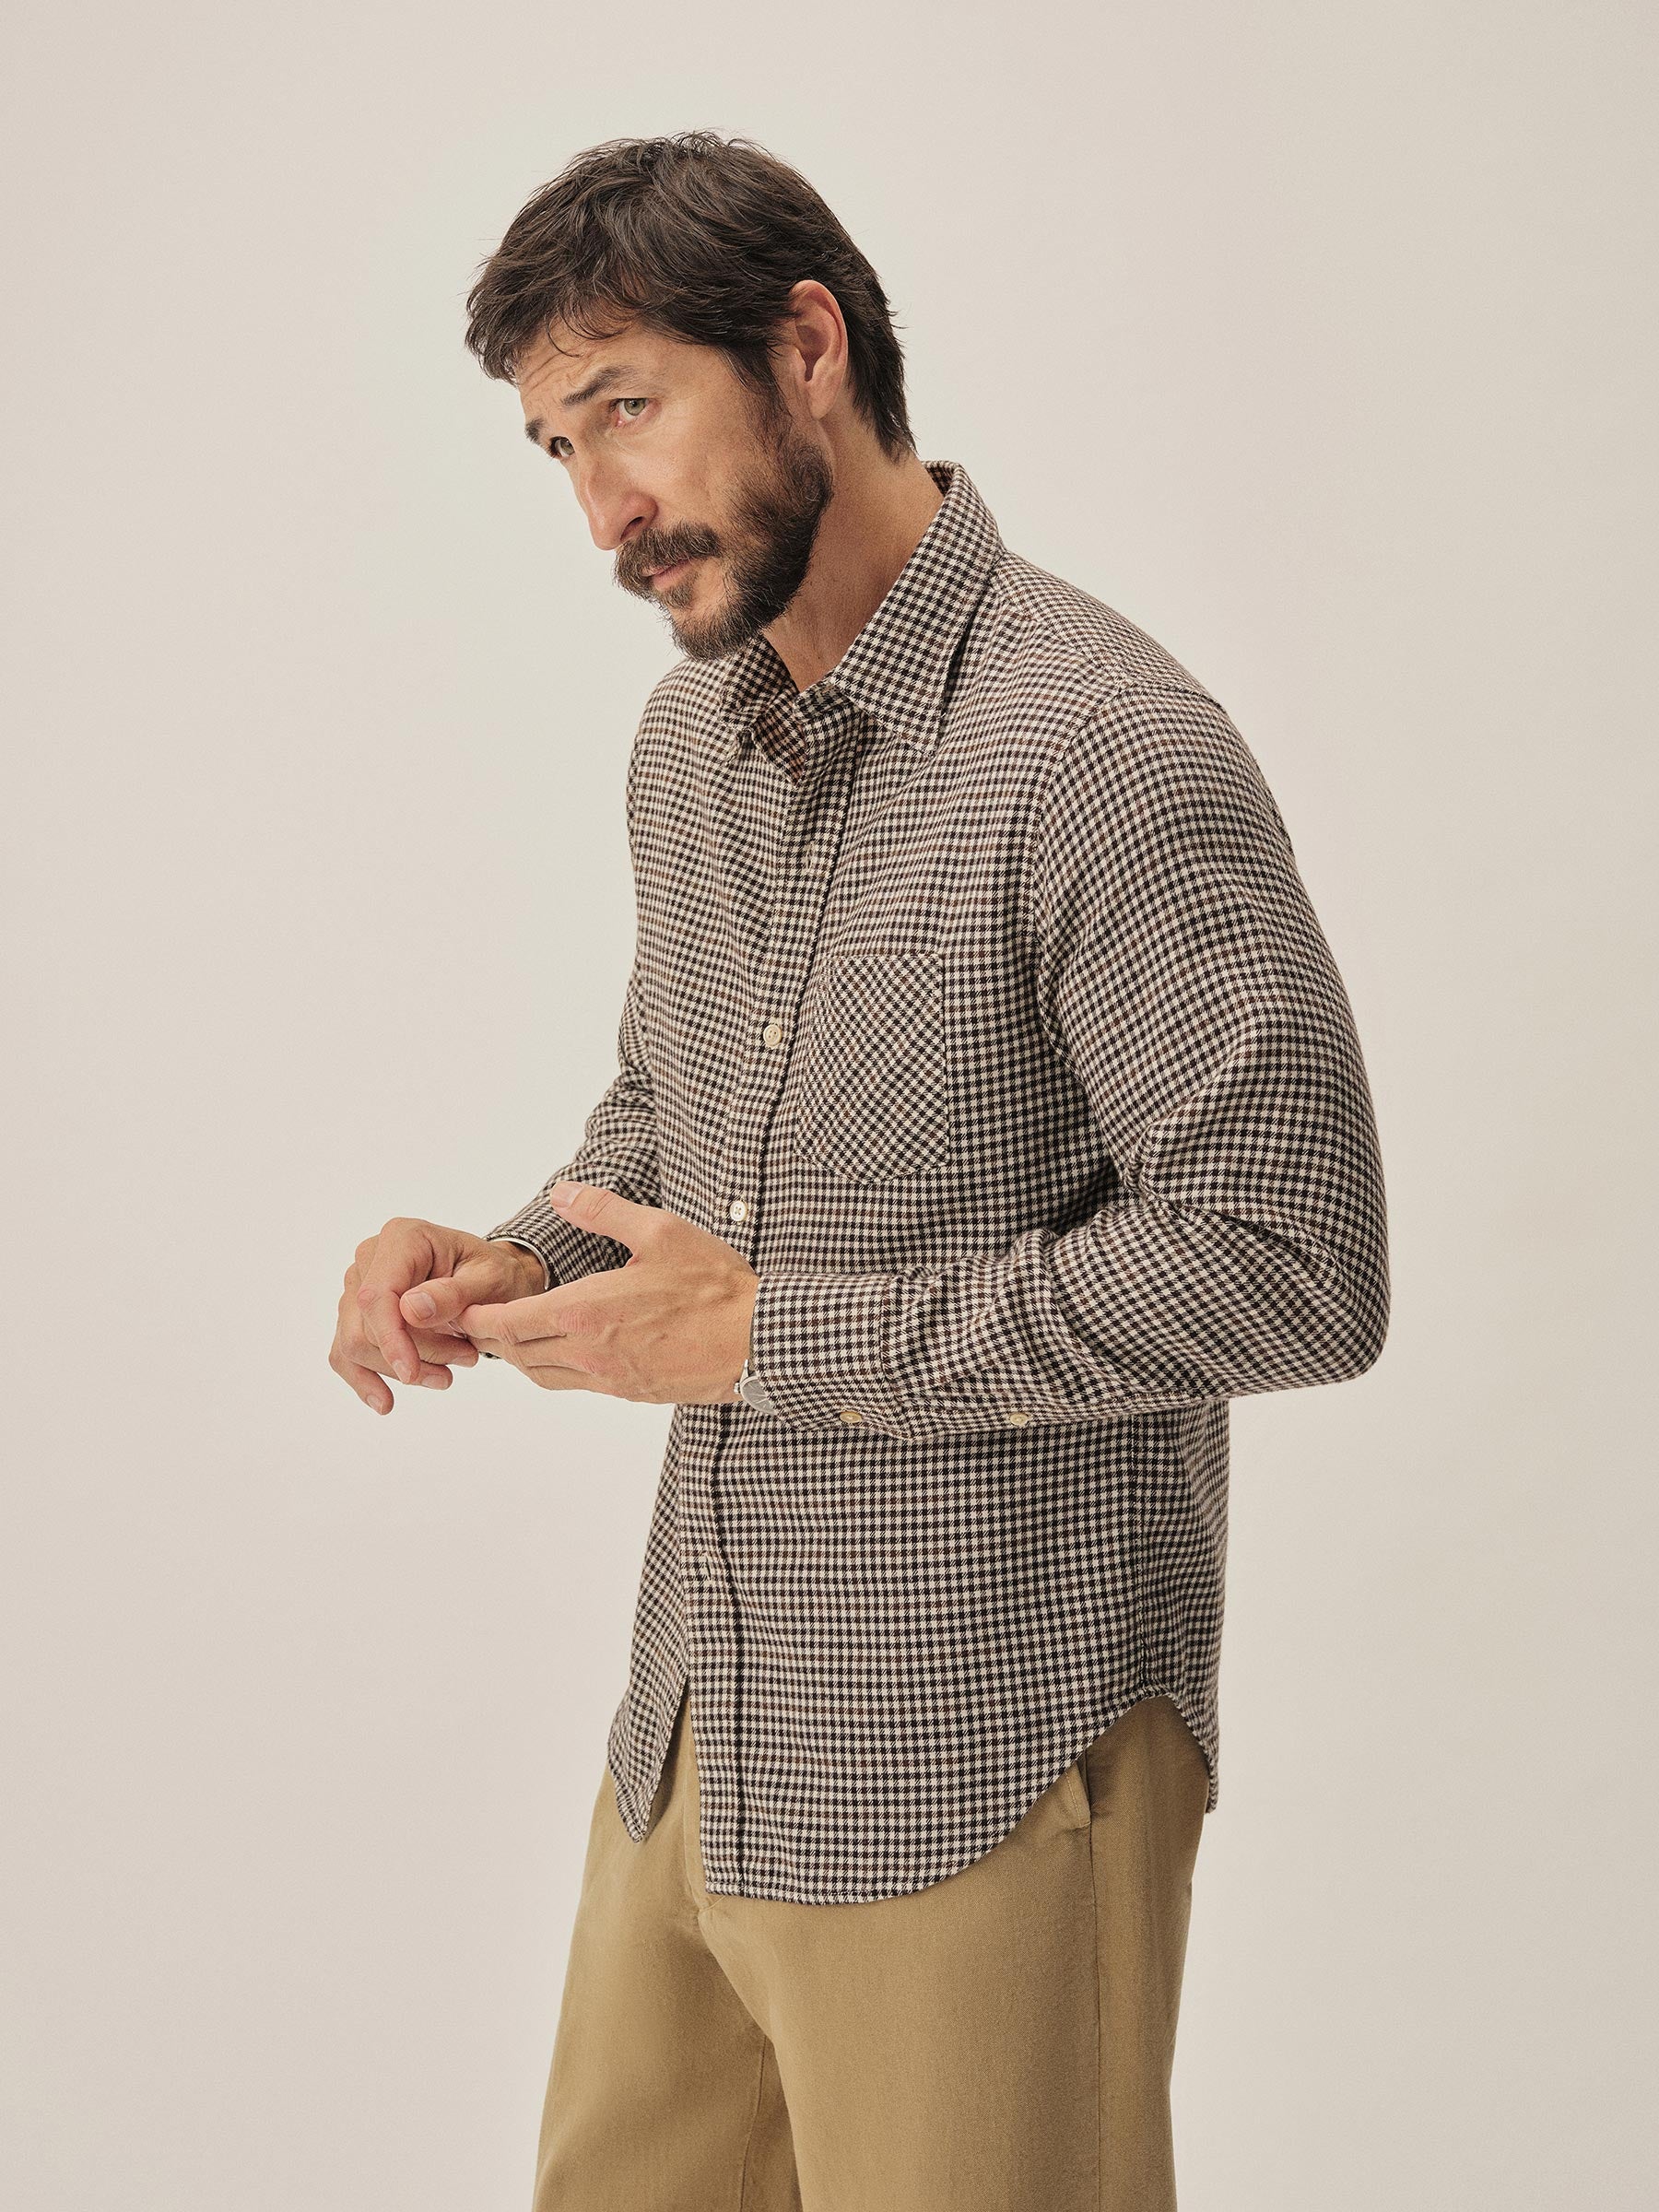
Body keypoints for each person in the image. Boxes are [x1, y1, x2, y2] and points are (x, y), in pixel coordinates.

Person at [329, 130, 1389, 2212]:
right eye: (558, 448)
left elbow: (1296, 1261)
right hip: (702, 1734)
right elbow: (675, 1116)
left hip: (989, 1748)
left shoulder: (1104, 750)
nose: (603, 510)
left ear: (806, 348)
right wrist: (514, 1257)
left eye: (629, 408)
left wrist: (768, 1337)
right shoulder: (695, 746)